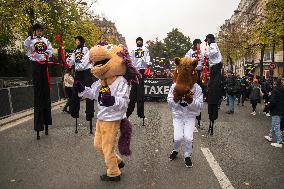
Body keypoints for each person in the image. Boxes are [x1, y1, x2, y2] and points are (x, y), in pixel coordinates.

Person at [167, 57, 203, 168]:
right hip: (178, 116)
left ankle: (187, 155)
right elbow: (169, 102)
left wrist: (190, 100)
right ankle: (175, 150)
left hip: (190, 116)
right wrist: (176, 99)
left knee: (188, 137)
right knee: (178, 137)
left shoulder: (197, 88)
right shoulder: (174, 86)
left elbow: (200, 106)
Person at [23, 23, 53, 140]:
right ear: (34, 32)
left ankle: (46, 122)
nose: (39, 32)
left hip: (44, 66)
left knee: (46, 94)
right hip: (36, 67)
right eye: (37, 31)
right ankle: (38, 125)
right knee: (38, 95)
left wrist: (46, 54)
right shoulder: (30, 40)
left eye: (41, 31)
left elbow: (49, 50)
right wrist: (31, 37)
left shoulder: (46, 40)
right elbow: (25, 46)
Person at [67, 36, 94, 134]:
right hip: (78, 73)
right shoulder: (75, 51)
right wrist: (68, 62)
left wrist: (80, 66)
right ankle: (75, 112)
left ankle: (89, 114)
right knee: (75, 92)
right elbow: (71, 61)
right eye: (76, 41)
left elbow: (86, 60)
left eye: (77, 40)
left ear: (81, 41)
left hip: (86, 72)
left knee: (88, 92)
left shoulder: (86, 49)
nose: (76, 42)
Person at [126, 37, 151, 123]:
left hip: (141, 71)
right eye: (138, 41)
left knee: (140, 93)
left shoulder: (145, 49)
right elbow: (130, 59)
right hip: (134, 71)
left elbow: (147, 60)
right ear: (136, 42)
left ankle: (141, 113)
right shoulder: (133, 49)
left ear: (142, 42)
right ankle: (127, 113)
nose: (139, 42)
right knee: (133, 92)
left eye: (140, 41)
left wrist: (147, 63)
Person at [204, 34, 222, 135]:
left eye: (208, 40)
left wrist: (207, 54)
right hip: (215, 67)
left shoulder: (213, 45)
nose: (207, 41)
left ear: (210, 39)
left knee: (213, 85)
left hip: (215, 66)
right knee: (212, 84)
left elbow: (213, 52)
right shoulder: (212, 45)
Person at [185, 39, 204, 128]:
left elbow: (203, 62)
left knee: (198, 95)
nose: (199, 45)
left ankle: (198, 120)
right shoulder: (189, 52)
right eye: (197, 44)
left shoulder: (201, 53)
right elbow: (186, 61)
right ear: (194, 44)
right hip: (191, 73)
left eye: (199, 44)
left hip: (199, 74)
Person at [264, 77, 284, 148]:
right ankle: (270, 136)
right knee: (274, 124)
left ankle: (279, 141)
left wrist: (267, 105)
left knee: (276, 125)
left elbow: (273, 101)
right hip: (281, 110)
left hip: (276, 110)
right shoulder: (282, 89)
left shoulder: (275, 90)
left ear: (275, 83)